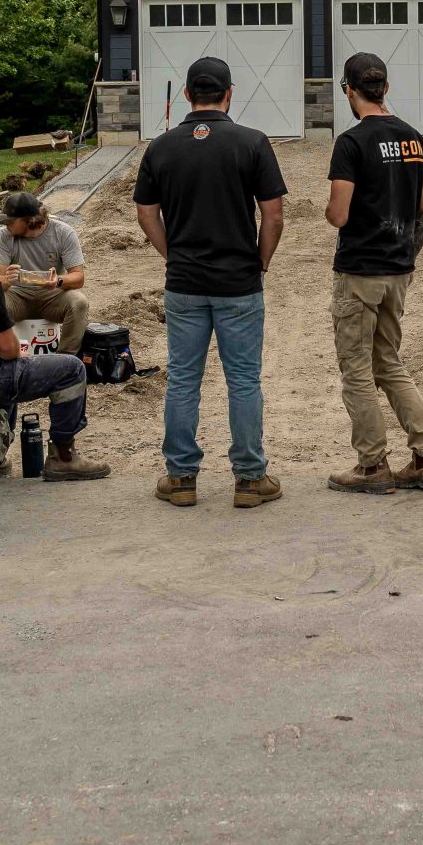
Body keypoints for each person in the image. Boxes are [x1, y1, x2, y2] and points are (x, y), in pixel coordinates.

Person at [133, 56, 286, 510]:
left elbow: (146, 213)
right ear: (229, 93)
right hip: (238, 282)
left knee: (183, 379)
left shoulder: (160, 148)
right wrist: (259, 261)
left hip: (185, 281)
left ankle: (181, 478)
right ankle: (249, 479)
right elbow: (273, 214)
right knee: (243, 380)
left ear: (186, 95)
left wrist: (172, 254)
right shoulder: (252, 143)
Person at [322, 52, 423, 495]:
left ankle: (372, 466)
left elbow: (338, 214)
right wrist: (407, 258)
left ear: (348, 91)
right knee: (388, 363)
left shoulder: (351, 144)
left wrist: (330, 210)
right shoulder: (414, 140)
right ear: (386, 88)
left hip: (359, 271)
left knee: (356, 370)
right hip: (398, 269)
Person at [0, 193, 110, 481]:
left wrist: (55, 280)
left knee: (11, 372)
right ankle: (63, 456)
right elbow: (8, 350)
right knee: (70, 369)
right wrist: (15, 353)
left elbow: (77, 276)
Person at [0, 191, 91, 354]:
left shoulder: (63, 232)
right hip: (17, 296)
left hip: (52, 296)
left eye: (10, 221)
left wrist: (57, 280)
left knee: (79, 302)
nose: (6, 225)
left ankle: (65, 359)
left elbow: (78, 277)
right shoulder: (5, 236)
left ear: (28, 220)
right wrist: (7, 280)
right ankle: (0, 357)